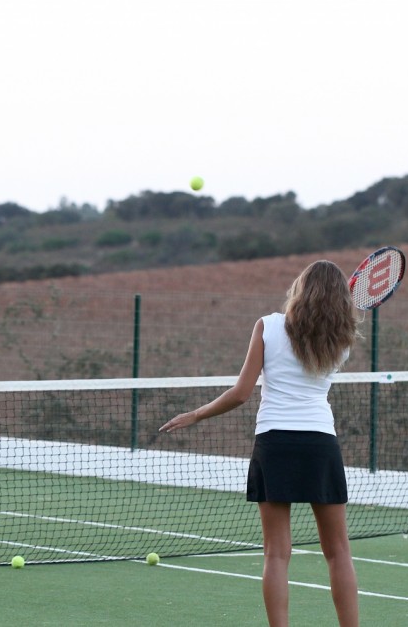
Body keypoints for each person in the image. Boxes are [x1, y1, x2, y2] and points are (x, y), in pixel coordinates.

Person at [160, 259, 360, 627]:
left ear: (301, 290)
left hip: (275, 443)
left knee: (276, 555)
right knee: (338, 553)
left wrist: (196, 414)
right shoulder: (342, 342)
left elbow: (241, 393)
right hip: (321, 444)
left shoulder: (267, 326)